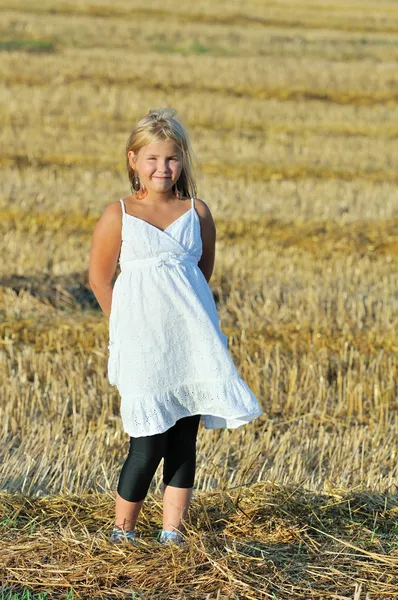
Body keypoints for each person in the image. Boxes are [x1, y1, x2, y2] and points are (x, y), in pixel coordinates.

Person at [88, 107, 263, 546]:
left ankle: (172, 533)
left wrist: (180, 320)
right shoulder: (119, 214)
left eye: (171, 159)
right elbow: (99, 277)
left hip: (191, 343)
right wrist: (125, 327)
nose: (162, 168)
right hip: (143, 346)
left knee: (184, 443)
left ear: (182, 160)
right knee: (146, 444)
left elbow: (199, 276)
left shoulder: (197, 212)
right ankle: (122, 532)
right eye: (152, 159)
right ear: (133, 160)